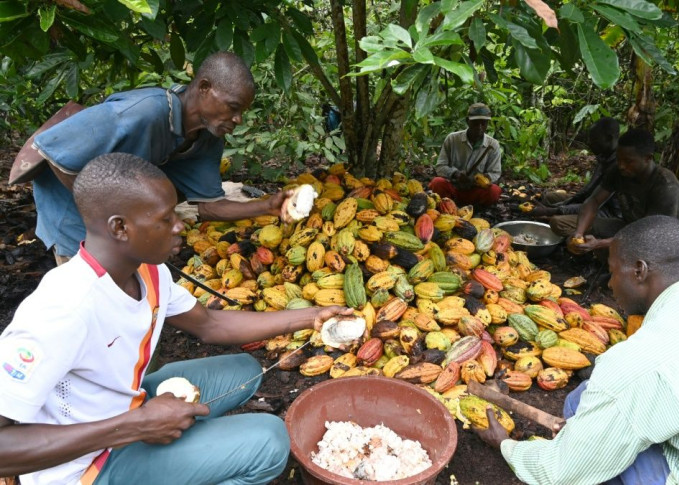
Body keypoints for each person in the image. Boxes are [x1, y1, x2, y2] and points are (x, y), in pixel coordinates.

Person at [0, 153, 352, 484]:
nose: (180, 226)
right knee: (269, 440)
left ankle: (176, 455)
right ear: (120, 228)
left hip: (125, 409)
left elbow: (210, 325)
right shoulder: (63, 308)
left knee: (244, 371)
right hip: (85, 468)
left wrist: (311, 316)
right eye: (166, 218)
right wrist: (136, 426)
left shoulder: (149, 272)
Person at [475, 215, 679, 484]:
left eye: (612, 272)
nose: (610, 285)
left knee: (595, 454)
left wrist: (505, 445)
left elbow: (560, 472)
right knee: (581, 398)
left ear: (639, 271)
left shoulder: (637, 362)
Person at [29, 51, 293, 265]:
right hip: (75, 217)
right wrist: (105, 217)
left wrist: (267, 206)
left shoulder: (207, 136)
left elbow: (208, 205)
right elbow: (54, 150)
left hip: (124, 225)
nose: (238, 120)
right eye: (233, 107)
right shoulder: (143, 113)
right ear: (203, 87)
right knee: (92, 303)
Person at [566, 128, 679, 255]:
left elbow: (650, 234)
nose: (621, 165)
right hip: (627, 226)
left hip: (658, 240)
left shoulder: (666, 186)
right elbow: (594, 201)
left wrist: (600, 243)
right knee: (570, 229)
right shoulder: (618, 171)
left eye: (628, 161)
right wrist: (579, 233)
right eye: (618, 159)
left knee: (626, 254)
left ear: (648, 158)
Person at [531, 117, 622, 231]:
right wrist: (557, 206)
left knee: (557, 222)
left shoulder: (620, 165)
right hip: (591, 203)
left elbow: (594, 205)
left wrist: (553, 210)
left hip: (607, 215)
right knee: (551, 197)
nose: (589, 144)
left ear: (609, 138)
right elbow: (586, 192)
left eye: (594, 140)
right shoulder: (604, 157)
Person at [428, 102, 503, 206]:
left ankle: (475, 208)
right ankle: (449, 205)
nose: (480, 127)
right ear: (468, 121)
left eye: (483, 123)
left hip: (475, 191)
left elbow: (495, 173)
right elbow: (440, 166)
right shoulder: (452, 139)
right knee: (437, 183)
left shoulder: (493, 145)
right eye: (476, 123)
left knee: (494, 191)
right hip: (453, 188)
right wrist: (456, 174)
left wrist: (481, 179)